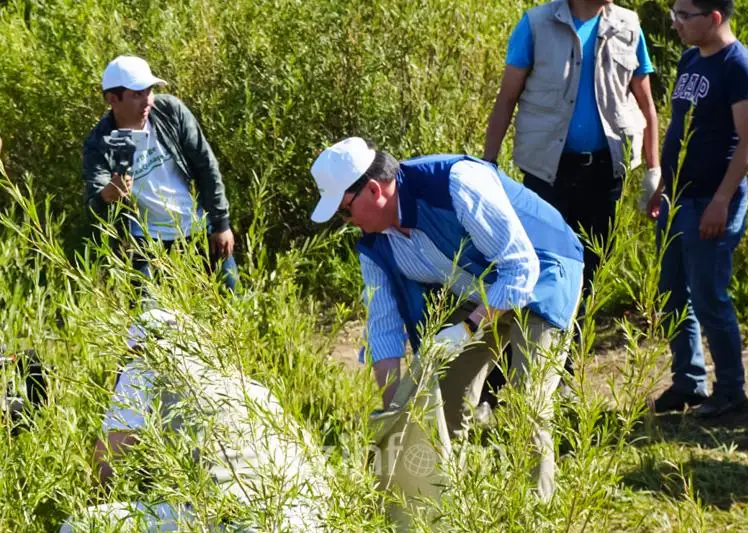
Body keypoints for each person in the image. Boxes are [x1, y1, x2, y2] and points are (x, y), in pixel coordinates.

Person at [308, 137, 584, 500]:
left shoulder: (455, 183)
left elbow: (519, 268)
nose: (346, 222)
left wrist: (468, 327)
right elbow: (384, 329)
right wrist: (397, 415)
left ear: (373, 189)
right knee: (438, 399)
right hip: (480, 294)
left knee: (526, 405)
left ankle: (533, 512)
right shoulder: (375, 245)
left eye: (345, 211)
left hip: (545, 274)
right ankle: (441, 508)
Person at [61, 309, 330, 531]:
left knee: (81, 527)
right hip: (317, 516)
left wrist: (91, 500)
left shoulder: (150, 362)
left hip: (239, 520)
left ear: (135, 349)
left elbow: (108, 457)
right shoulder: (245, 383)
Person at [483, 0, 660, 304]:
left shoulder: (628, 25)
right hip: (548, 172)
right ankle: (540, 346)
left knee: (593, 263)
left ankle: (573, 346)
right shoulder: (536, 24)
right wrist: (486, 165)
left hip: (606, 172)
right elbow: (506, 99)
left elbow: (647, 105)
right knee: (545, 264)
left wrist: (654, 170)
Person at [649, 0, 748, 417]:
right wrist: (662, 185)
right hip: (678, 196)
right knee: (673, 292)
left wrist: (720, 200)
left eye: (684, 15)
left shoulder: (740, 66)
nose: (675, 23)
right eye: (674, 13)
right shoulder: (689, 59)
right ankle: (689, 382)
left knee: (709, 296)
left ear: (714, 17)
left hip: (712, 201)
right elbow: (680, 128)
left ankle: (731, 390)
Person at [82, 55, 238, 292]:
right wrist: (108, 195)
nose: (148, 101)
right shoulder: (98, 143)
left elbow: (206, 165)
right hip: (147, 244)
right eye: (137, 94)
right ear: (112, 99)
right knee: (150, 322)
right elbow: (94, 203)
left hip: (198, 229)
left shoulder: (170, 111)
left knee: (230, 302)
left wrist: (221, 223)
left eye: (149, 91)